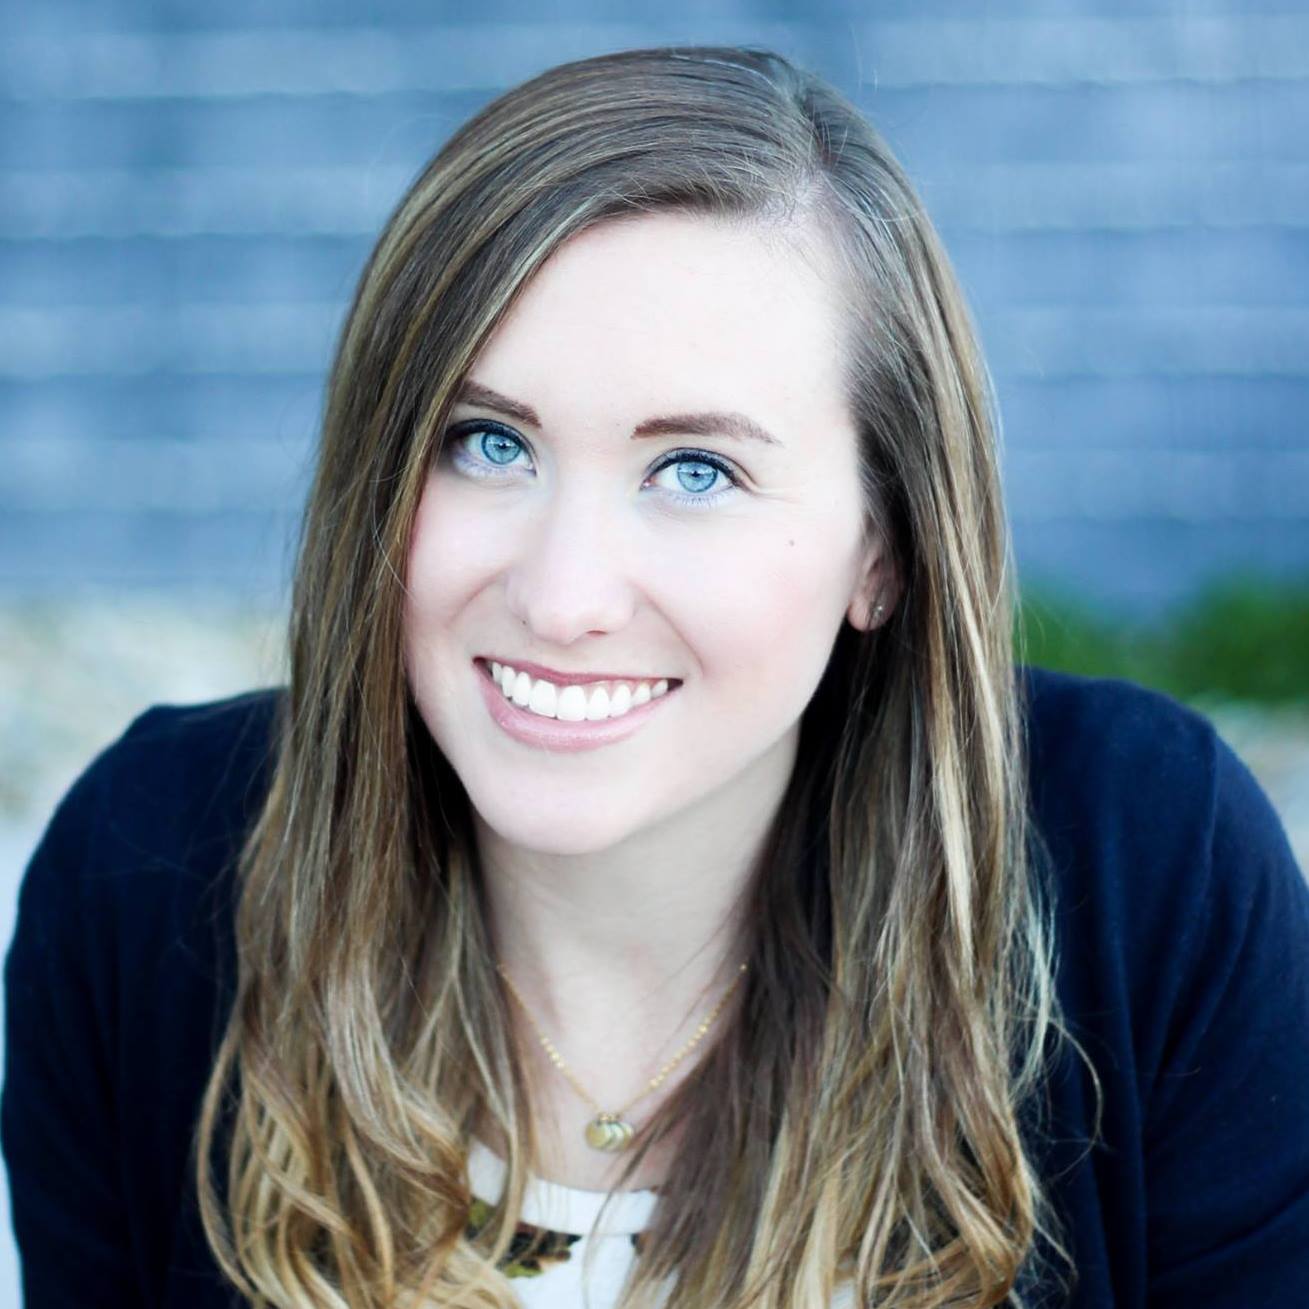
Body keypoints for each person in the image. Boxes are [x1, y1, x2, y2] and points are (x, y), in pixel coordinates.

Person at [3, 44, 1307, 1309]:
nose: (564, 595)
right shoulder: (144, 879)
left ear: (884, 548)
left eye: (696, 470)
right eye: (485, 442)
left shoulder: (1149, 871)